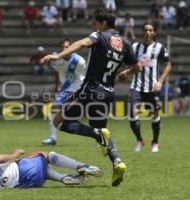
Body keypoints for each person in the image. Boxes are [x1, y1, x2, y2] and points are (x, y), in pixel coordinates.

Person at [41, 8, 142, 186]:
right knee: (103, 135)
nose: (93, 26)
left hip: (90, 90)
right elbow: (138, 67)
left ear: (103, 24)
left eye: (95, 23)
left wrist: (58, 55)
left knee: (59, 121)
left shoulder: (99, 36)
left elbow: (80, 44)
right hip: (108, 94)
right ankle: (118, 161)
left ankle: (96, 133)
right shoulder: (126, 43)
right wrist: (126, 72)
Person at [128, 22, 171, 153]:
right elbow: (129, 64)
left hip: (153, 88)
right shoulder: (134, 47)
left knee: (155, 114)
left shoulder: (159, 47)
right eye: (146, 30)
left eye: (151, 30)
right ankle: (139, 140)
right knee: (132, 112)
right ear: (142, 32)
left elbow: (168, 65)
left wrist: (160, 81)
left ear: (154, 33)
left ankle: (155, 142)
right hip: (136, 86)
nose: (148, 32)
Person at [42, 37, 86, 145]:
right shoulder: (57, 60)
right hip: (66, 89)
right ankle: (53, 138)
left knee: (90, 112)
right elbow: (57, 72)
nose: (64, 48)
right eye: (62, 47)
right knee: (54, 108)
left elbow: (86, 75)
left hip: (80, 88)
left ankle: (98, 135)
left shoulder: (79, 61)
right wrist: (57, 86)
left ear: (71, 47)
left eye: (67, 46)